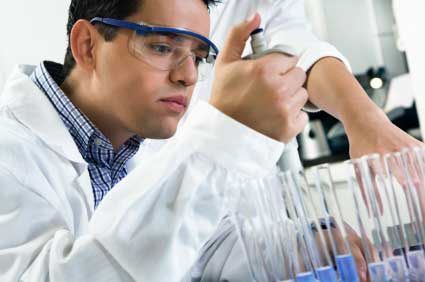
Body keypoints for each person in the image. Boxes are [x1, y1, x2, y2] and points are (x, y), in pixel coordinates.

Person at [0, 0, 313, 281]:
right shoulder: (9, 155)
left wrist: (310, 246)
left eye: (199, 57)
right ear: (87, 46)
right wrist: (224, 136)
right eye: (163, 48)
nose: (188, 76)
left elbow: (203, 250)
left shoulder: (135, 144)